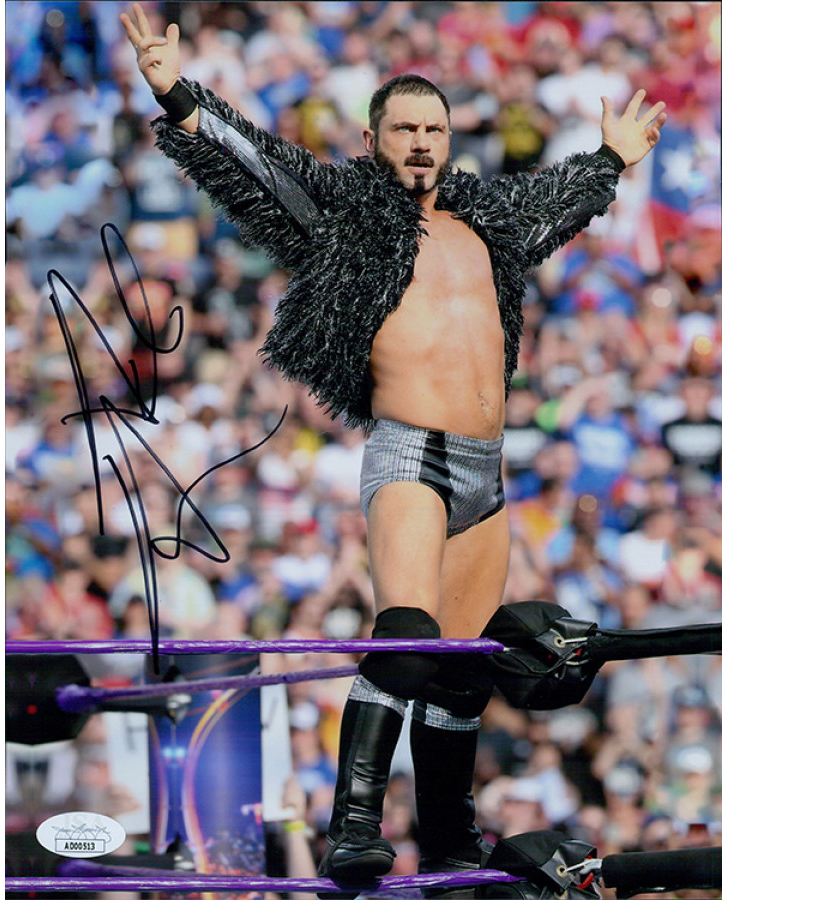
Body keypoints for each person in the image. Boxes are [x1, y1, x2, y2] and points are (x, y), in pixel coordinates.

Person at [119, 4, 666, 888]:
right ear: (374, 140)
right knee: (407, 638)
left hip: (487, 469)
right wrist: (177, 93)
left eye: (433, 129)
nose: (420, 142)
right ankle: (354, 826)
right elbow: (257, 162)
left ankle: (448, 839)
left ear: (450, 140)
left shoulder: (486, 224)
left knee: (461, 675)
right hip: (411, 456)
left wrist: (609, 161)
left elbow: (553, 207)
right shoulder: (345, 217)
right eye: (404, 128)